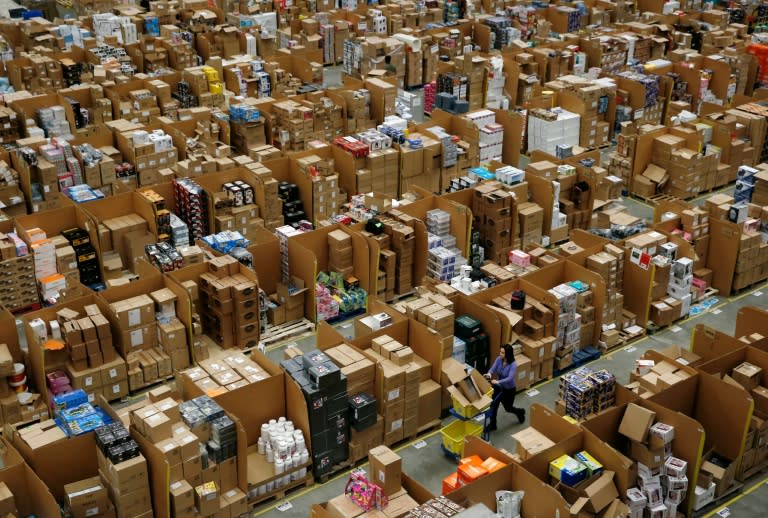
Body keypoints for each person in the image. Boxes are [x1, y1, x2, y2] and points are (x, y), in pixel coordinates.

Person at [485, 344, 525, 431]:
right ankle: (493, 425)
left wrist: (498, 381)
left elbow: (510, 378)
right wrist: (489, 374)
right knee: (494, 405)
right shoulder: (499, 359)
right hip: (499, 388)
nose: (500, 354)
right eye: (500, 351)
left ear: (508, 354)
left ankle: (520, 412)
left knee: (508, 408)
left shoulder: (513, 364)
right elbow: (493, 369)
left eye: (502, 352)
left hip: (509, 390)